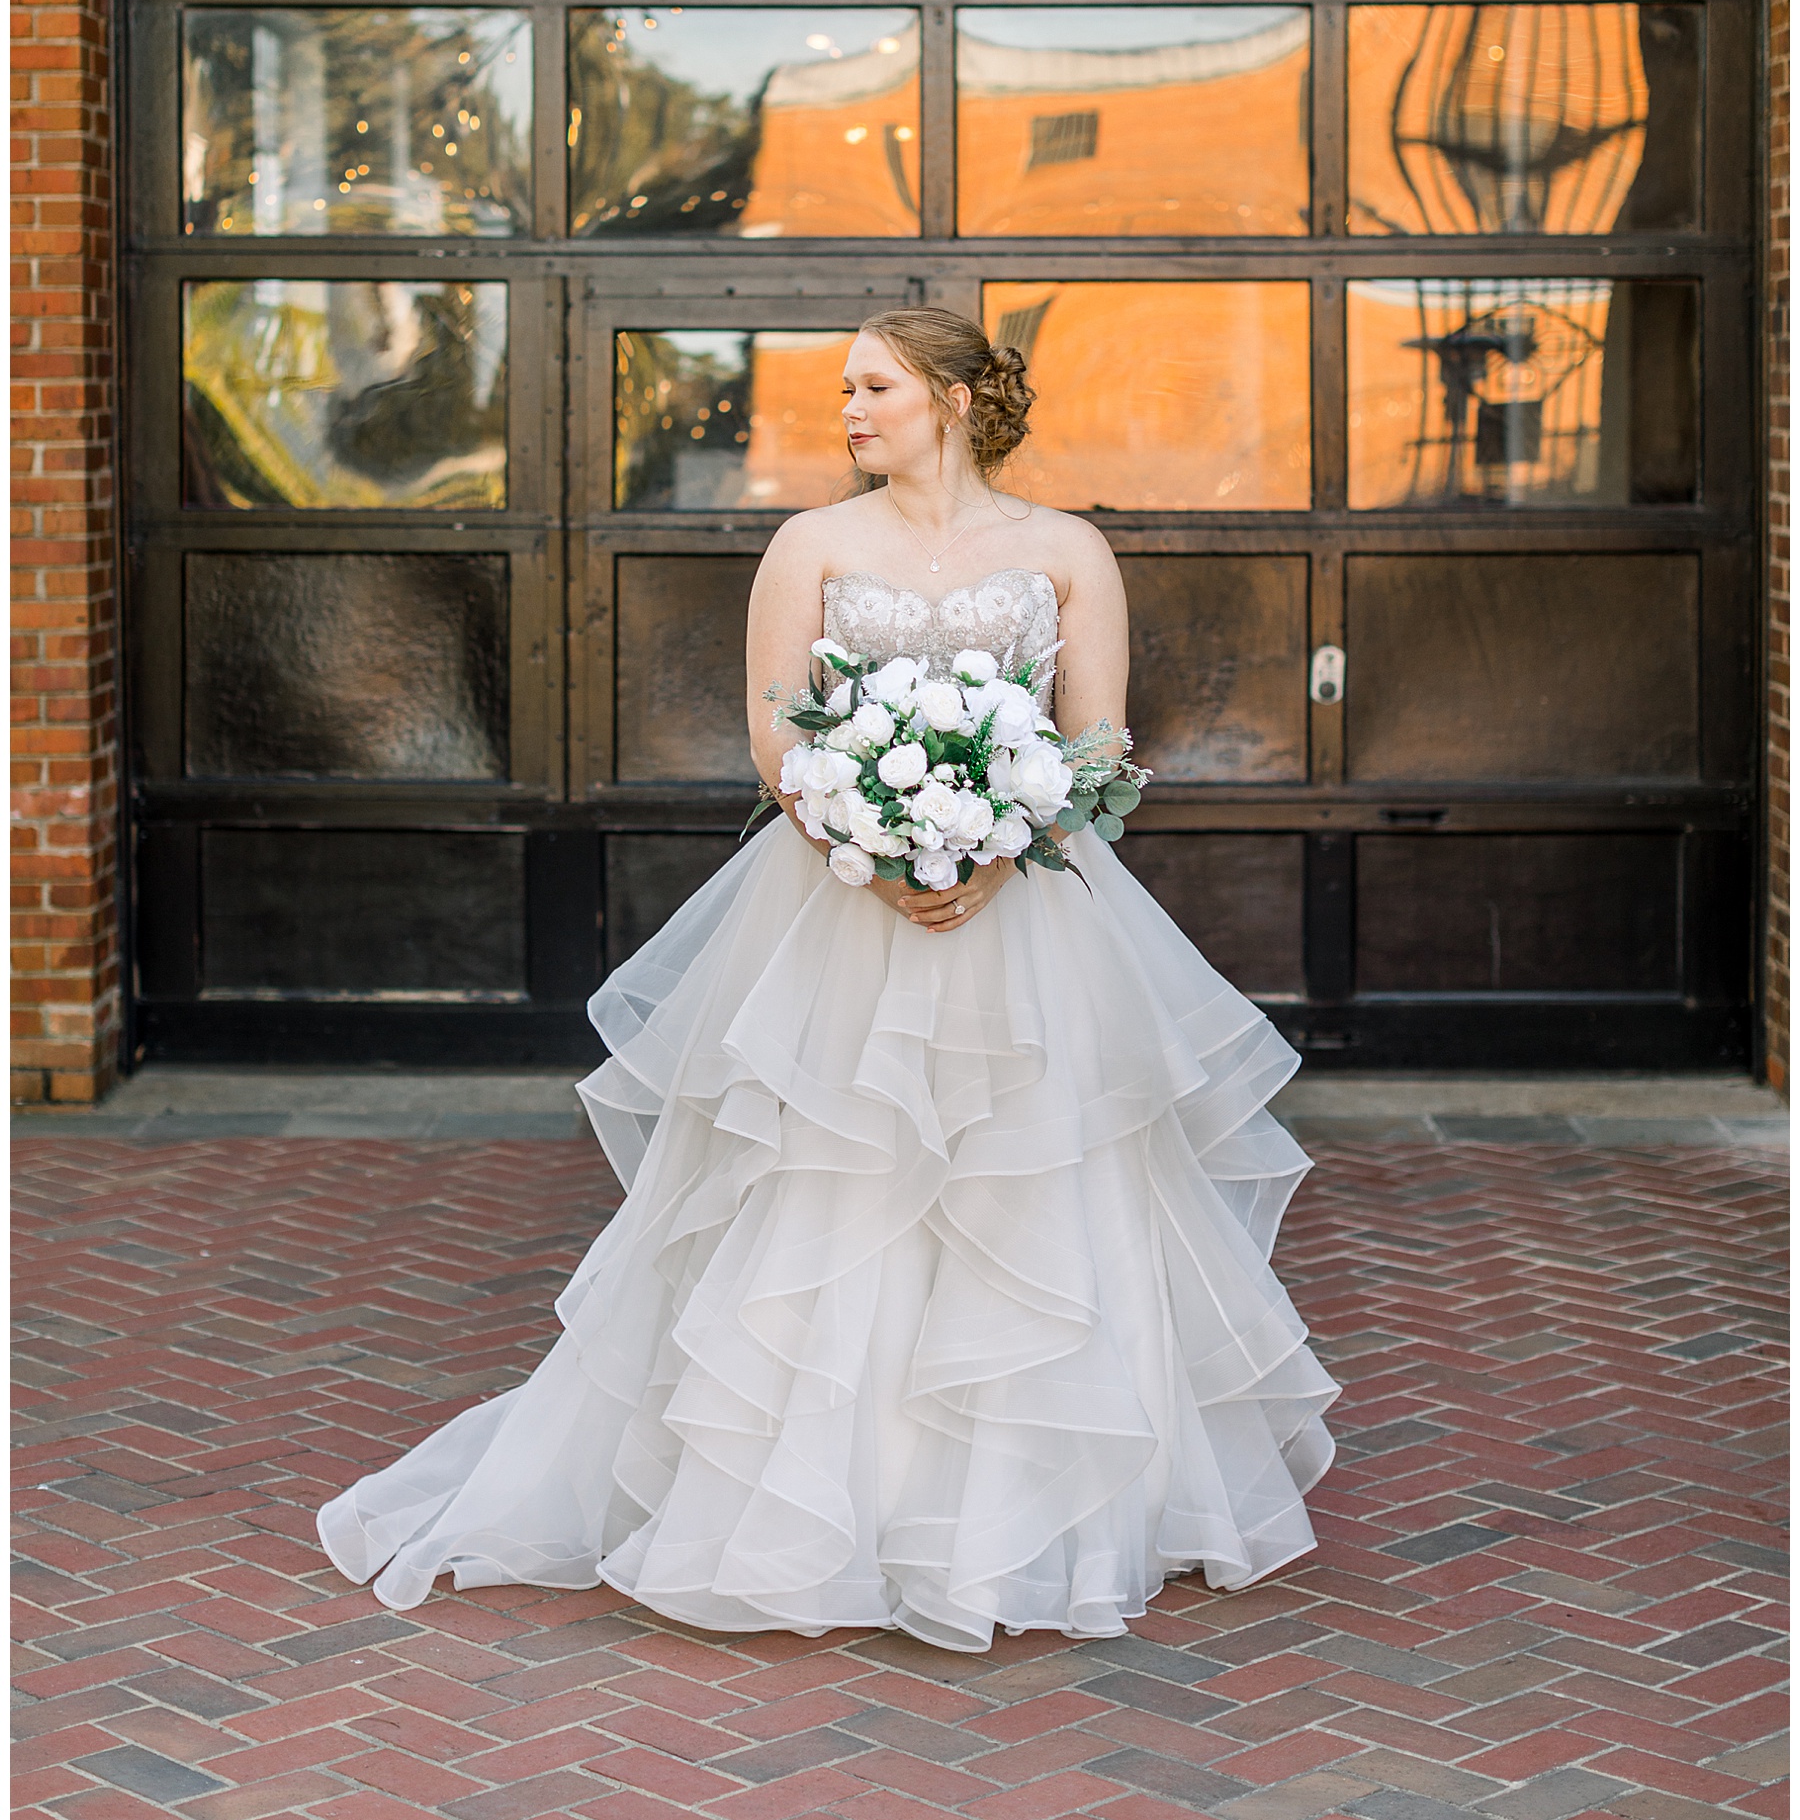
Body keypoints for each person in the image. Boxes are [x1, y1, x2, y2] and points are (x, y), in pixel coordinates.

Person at [318, 308, 1337, 1651]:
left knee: (1035, 1185)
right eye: (845, 389)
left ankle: (1032, 1515)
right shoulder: (809, 547)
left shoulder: (1068, 551)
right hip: (841, 911)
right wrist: (871, 840)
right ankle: (829, 1509)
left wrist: (997, 852)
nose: (848, 409)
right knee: (837, 1187)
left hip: (1029, 918)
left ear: (953, 399)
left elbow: (1097, 744)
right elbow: (772, 730)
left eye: (874, 386)